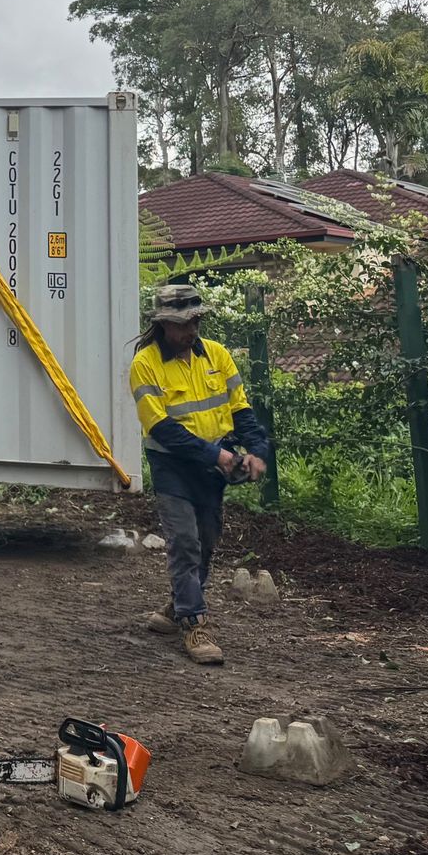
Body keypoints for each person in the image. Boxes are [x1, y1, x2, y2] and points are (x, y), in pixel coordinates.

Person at [129, 283, 270, 665]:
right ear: (162, 326)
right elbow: (162, 429)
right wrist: (218, 455)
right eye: (181, 325)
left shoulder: (219, 356)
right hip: (173, 467)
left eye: (194, 321)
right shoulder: (145, 364)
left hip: (212, 465)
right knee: (186, 543)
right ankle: (195, 622)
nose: (190, 331)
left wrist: (256, 451)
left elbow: (241, 411)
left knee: (206, 541)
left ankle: (176, 607)